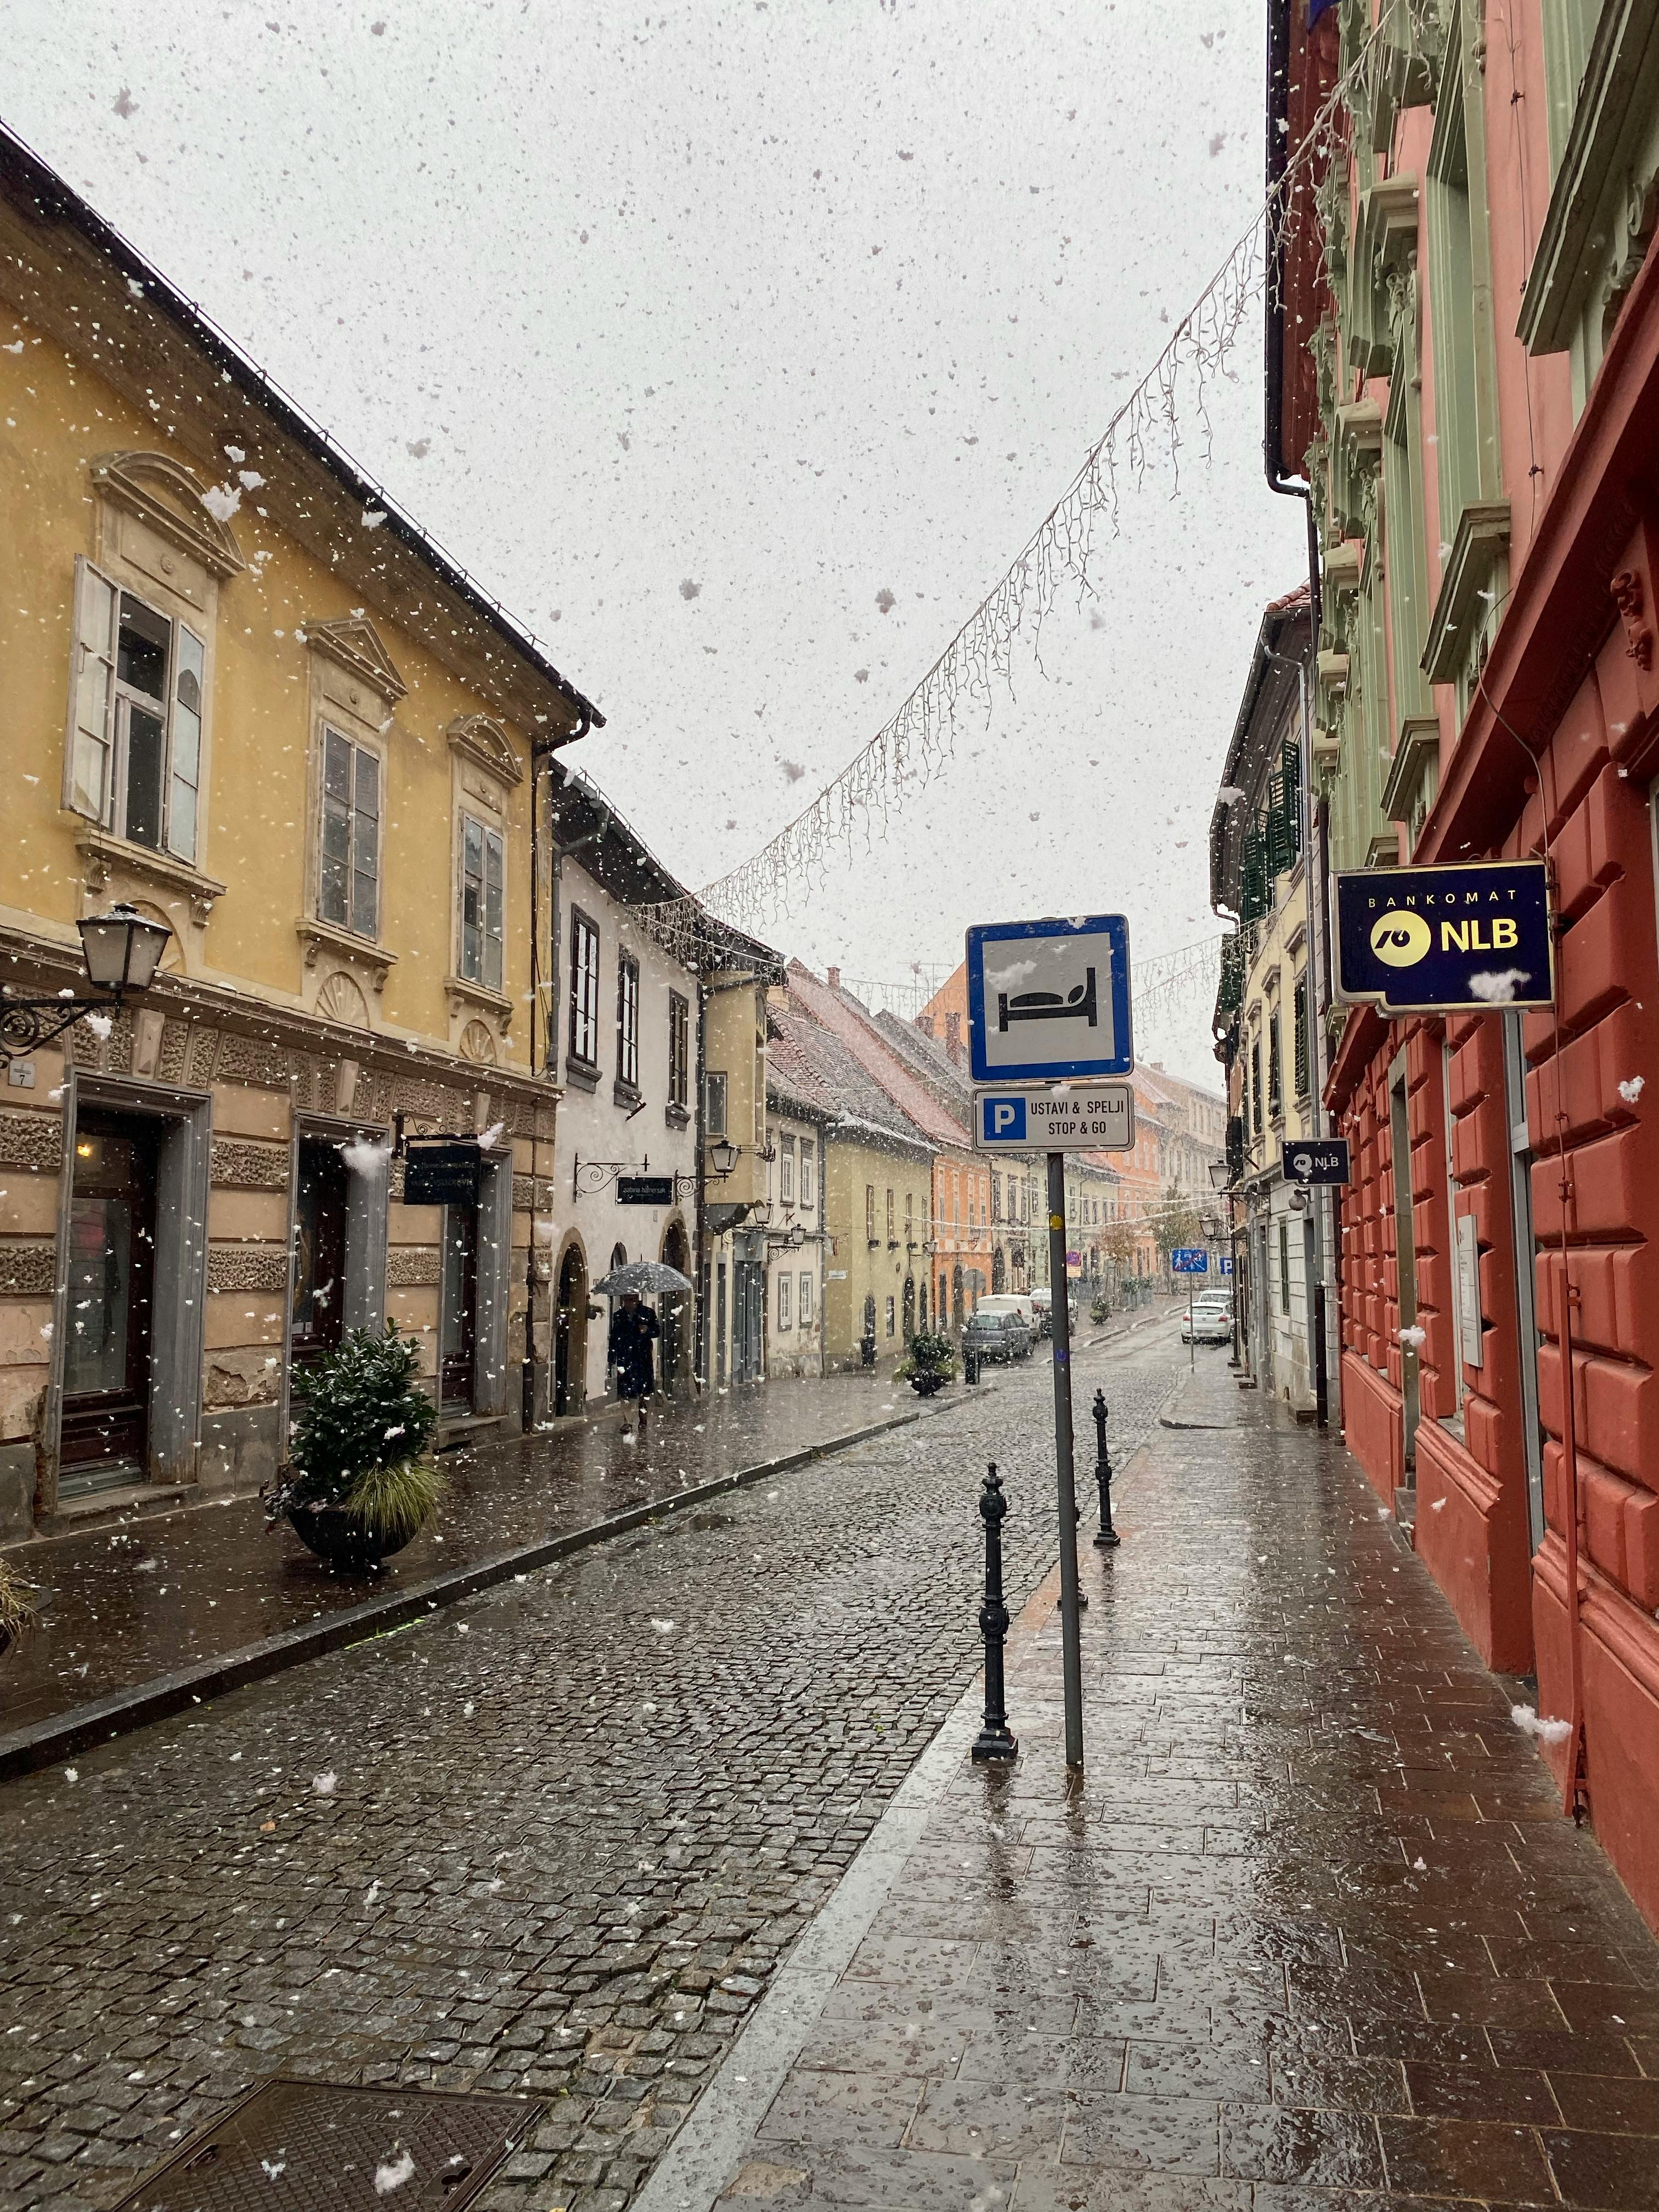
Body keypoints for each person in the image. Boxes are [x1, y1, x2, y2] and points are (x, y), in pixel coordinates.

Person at [608, 1291, 659, 1437]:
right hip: (625, 1358)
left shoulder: (648, 1313)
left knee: (644, 1392)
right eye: (627, 1299)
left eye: (632, 1300)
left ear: (638, 1300)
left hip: (643, 1358)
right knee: (626, 1392)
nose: (629, 1303)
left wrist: (647, 1330)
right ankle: (628, 1422)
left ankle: (643, 1419)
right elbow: (614, 1336)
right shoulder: (619, 1316)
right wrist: (612, 1356)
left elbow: (657, 1331)